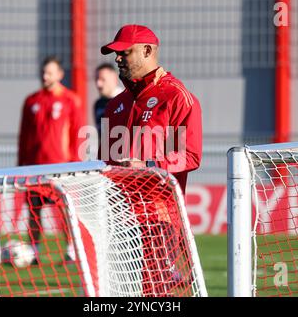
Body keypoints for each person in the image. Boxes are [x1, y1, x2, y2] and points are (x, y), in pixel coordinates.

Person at [99, 24, 203, 294]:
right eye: (115, 53)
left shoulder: (176, 97)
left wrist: (148, 167)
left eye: (125, 52)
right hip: (118, 219)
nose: (118, 58)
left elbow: (190, 155)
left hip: (158, 218)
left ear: (147, 51)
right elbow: (103, 162)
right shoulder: (114, 106)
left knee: (154, 293)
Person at [18, 56, 82, 264]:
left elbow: (77, 134)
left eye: (50, 72)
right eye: (44, 72)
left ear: (60, 75)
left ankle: (72, 249)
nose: (45, 76)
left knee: (64, 210)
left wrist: (74, 164)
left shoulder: (70, 100)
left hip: (60, 167)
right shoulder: (31, 101)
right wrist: (21, 165)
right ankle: (34, 252)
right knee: (34, 211)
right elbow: (24, 136)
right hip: (34, 168)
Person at [93, 63, 122, 140]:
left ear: (114, 78)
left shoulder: (125, 101)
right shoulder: (98, 104)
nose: (98, 84)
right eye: (96, 79)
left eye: (103, 79)